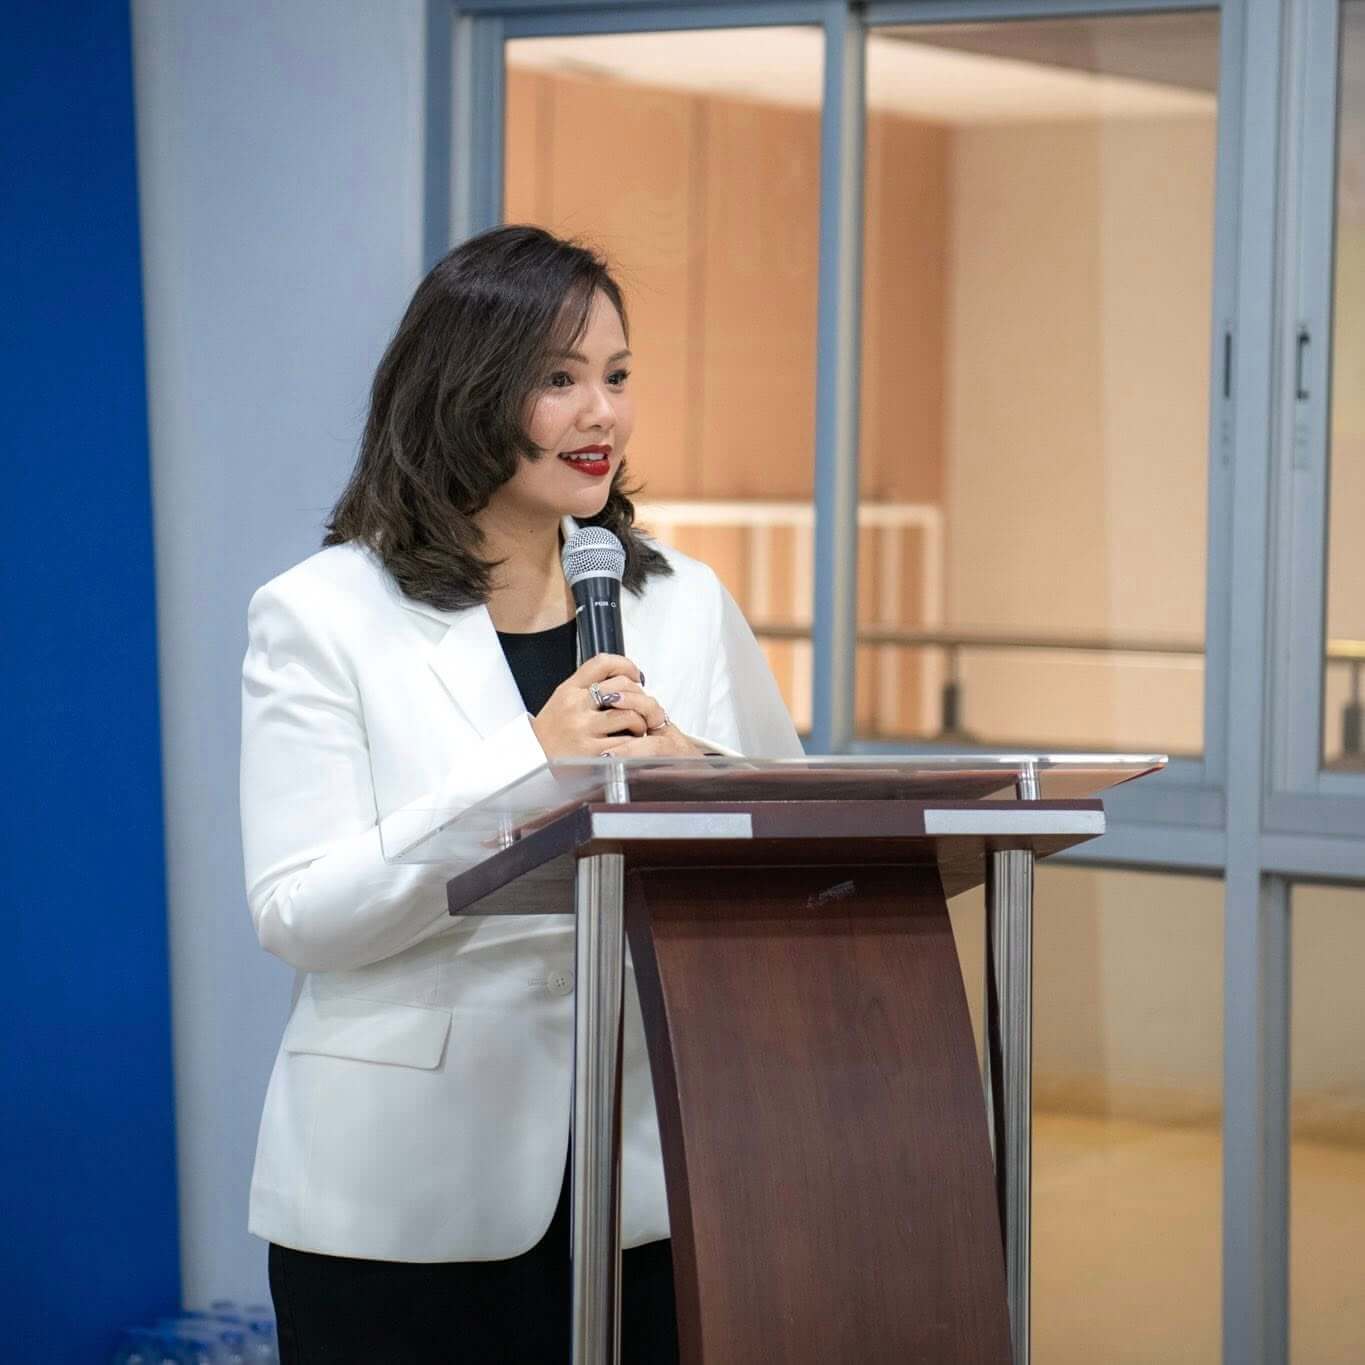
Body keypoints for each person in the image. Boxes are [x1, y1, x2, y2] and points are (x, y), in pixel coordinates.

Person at [239, 224, 802, 1363]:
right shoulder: (322, 613)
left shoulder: (684, 600)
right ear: (463, 392)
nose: (602, 415)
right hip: (402, 1194)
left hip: (650, 1178)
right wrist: (526, 764)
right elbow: (299, 915)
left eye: (618, 376)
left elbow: (788, 847)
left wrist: (690, 769)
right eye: (558, 379)